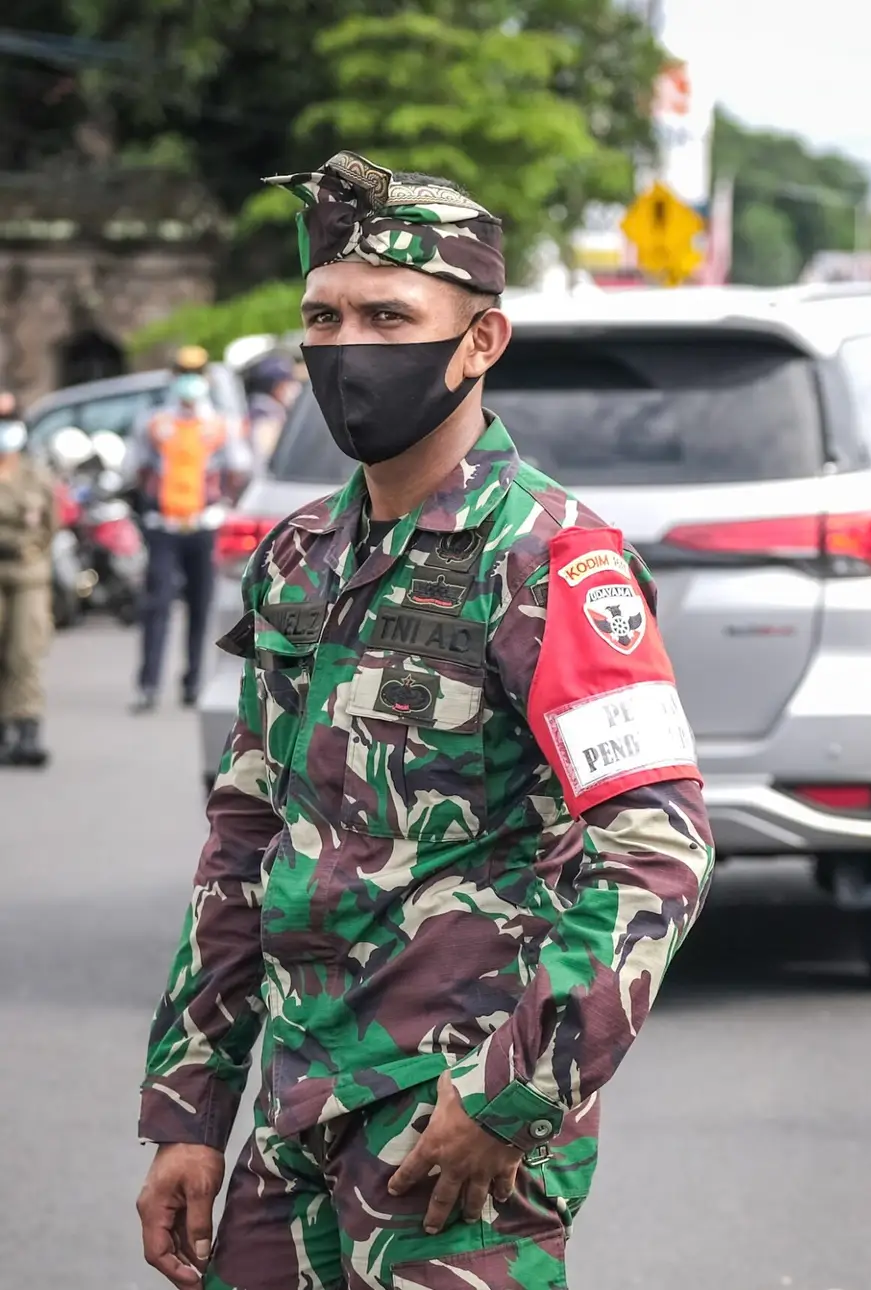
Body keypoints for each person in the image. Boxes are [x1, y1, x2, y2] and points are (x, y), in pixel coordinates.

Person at [134, 151, 714, 1290]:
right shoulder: (302, 558)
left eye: (390, 316)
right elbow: (244, 843)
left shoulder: (550, 558)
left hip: (451, 1125)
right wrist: (189, 1109)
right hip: (294, 1112)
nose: (349, 348)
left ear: (480, 342)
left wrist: (513, 1098)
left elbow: (656, 855)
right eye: (325, 316)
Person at [126, 347, 251, 712]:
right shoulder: (153, 423)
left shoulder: (219, 425)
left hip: (204, 524)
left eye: (196, 372)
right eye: (183, 371)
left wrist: (222, 503)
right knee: (157, 605)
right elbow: (134, 468)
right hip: (163, 525)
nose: (189, 380)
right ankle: (149, 684)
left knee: (200, 606)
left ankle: (193, 682)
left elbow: (240, 467)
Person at [0, 401, 58, 767]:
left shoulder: (36, 474)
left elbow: (51, 525)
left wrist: (29, 550)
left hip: (28, 575)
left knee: (25, 651)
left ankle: (26, 729)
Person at [244, 354, 303, 465]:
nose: (295, 387)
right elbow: (266, 455)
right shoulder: (264, 415)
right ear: (273, 386)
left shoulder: (272, 410)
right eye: (287, 383)